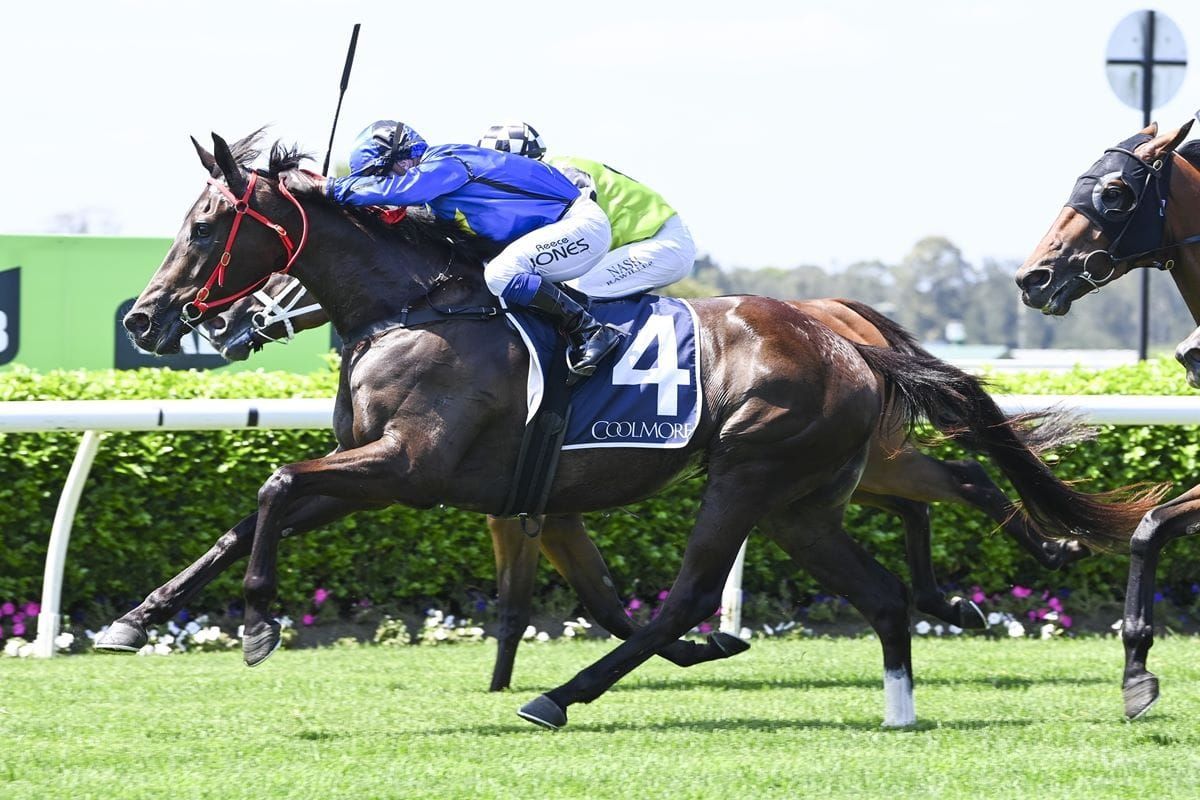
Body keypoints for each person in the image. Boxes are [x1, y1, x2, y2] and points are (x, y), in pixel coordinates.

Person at [323, 120, 622, 378]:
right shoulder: (438, 195)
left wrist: (330, 189)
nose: (382, 184)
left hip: (581, 226)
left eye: (381, 175)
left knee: (501, 274)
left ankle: (590, 330)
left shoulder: (446, 162)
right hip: (559, 230)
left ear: (401, 161)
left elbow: (404, 190)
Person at [477, 122, 696, 299]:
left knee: (573, 291)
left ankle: (602, 342)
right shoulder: (544, 180)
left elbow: (581, 231)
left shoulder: (564, 174)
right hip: (640, 243)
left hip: (662, 243)